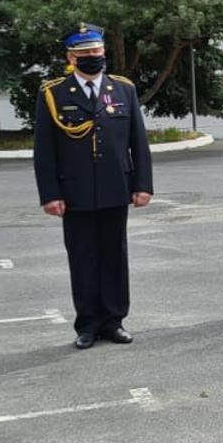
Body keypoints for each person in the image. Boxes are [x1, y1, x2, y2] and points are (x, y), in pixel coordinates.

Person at [34, 23, 154, 349]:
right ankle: (87, 324)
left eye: (96, 51)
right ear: (70, 57)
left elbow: (137, 142)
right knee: (83, 258)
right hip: (75, 192)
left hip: (116, 187)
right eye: (84, 52)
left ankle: (114, 321)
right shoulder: (53, 93)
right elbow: (44, 150)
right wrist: (51, 194)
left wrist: (143, 185)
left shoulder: (123, 89)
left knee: (115, 256)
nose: (92, 57)